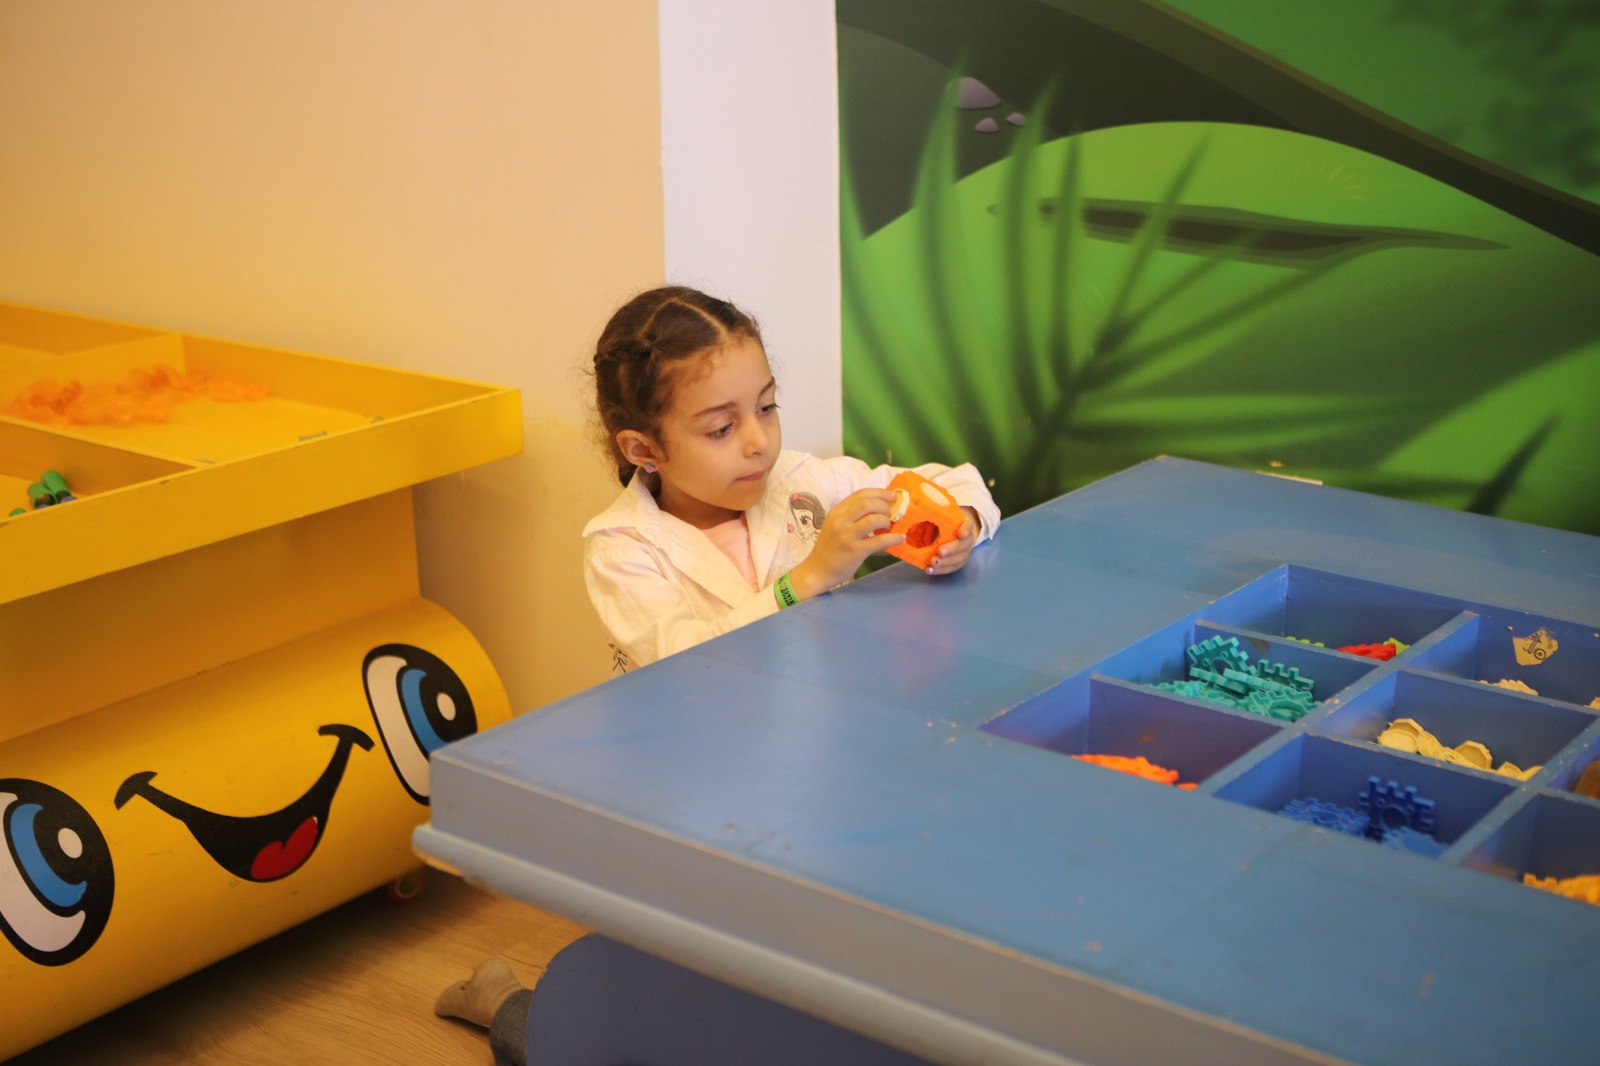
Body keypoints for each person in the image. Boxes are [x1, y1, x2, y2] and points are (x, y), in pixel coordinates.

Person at [584, 285, 1000, 670]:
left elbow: (956, 482)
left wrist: (961, 524)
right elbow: (683, 665)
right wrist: (806, 580)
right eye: (721, 429)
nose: (759, 441)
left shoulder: (803, 480)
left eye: (766, 407)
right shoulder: (622, 550)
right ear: (644, 450)